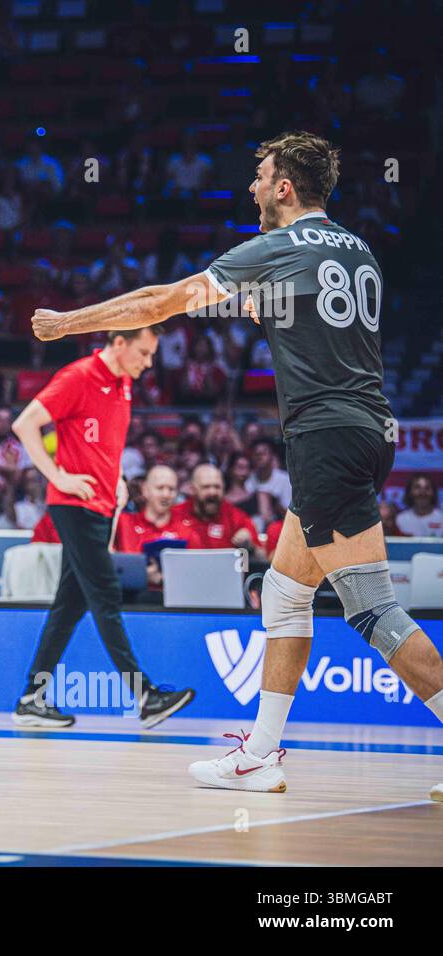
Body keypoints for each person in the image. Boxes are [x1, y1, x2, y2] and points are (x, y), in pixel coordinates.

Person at [31, 131, 443, 797]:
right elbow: (313, 321)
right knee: (284, 591)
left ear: (284, 187)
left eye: (260, 178)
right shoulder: (357, 249)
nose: (251, 188)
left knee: (371, 609)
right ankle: (261, 753)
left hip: (326, 438)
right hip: (366, 430)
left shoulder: (276, 247)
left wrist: (67, 321)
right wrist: (263, 306)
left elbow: (156, 303)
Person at [11, 327, 195, 728]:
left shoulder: (124, 383)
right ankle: (145, 697)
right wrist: (57, 477)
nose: (148, 363)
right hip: (74, 505)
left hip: (100, 504)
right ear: (118, 344)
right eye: (143, 353)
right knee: (106, 595)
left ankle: (31, 699)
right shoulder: (78, 377)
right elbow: (24, 424)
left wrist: (115, 480)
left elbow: (102, 443)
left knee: (68, 608)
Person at [170, 463, 267, 560]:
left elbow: (262, 558)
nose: (213, 492)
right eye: (206, 487)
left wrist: (250, 547)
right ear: (192, 490)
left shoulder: (236, 517)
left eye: (217, 487)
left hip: (225, 574)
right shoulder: (175, 514)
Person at [114, 464, 183, 588]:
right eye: (160, 488)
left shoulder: (187, 529)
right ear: (145, 490)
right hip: (131, 601)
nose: (166, 494)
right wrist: (140, 575)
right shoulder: (123, 523)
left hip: (173, 602)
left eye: (171, 489)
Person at [393, 473, 443, 537]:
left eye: (427, 488)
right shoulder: (400, 520)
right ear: (409, 492)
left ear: (433, 492)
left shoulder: (441, 518)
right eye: (417, 487)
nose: (422, 492)